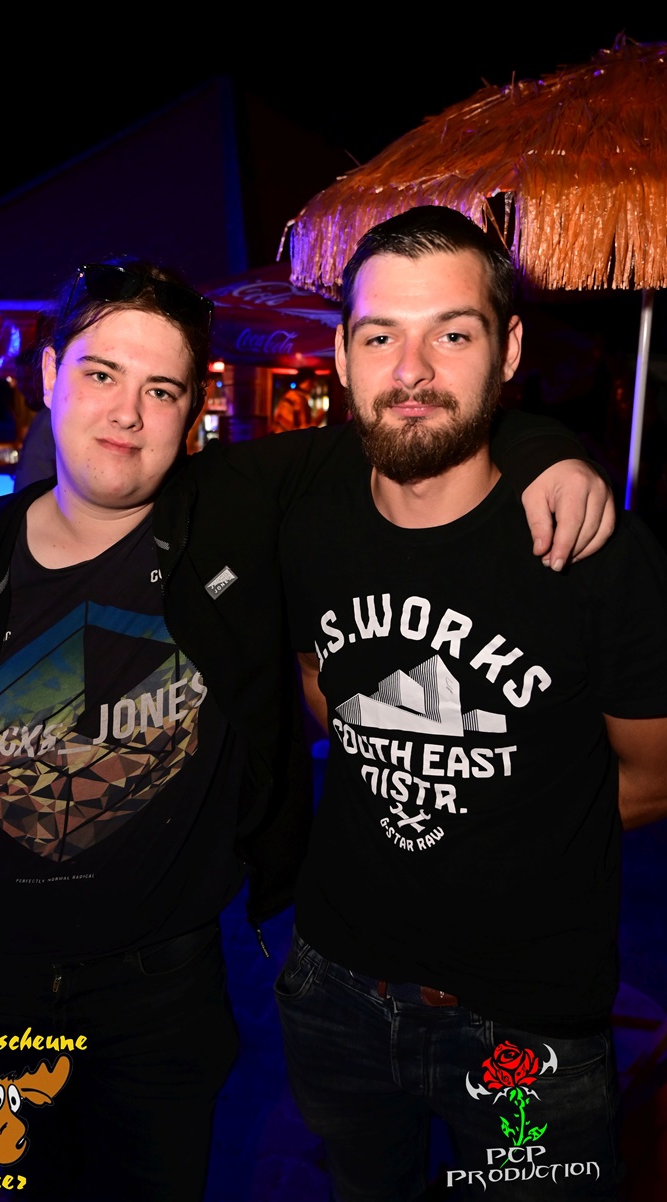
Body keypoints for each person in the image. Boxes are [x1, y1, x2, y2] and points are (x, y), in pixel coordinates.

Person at [0, 251, 614, 1201]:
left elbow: (418, 419)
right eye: (101, 374)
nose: (127, 414)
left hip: (166, 983)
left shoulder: (229, 510)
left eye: (162, 390)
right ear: (50, 374)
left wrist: (550, 449)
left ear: (192, 413)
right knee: (14, 1183)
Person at [274, 206, 667, 1201]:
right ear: (341, 355)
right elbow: (320, 682)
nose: (410, 371)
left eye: (451, 334)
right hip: (331, 990)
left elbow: (654, 776)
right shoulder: (305, 521)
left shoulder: (593, 552)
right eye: (379, 337)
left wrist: (505, 817)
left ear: (509, 349)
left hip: (527, 1023)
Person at [271, 366, 325, 432]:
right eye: (313, 382)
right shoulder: (296, 399)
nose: (314, 386)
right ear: (308, 381)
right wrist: (317, 420)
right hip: (286, 438)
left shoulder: (293, 396)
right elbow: (301, 431)